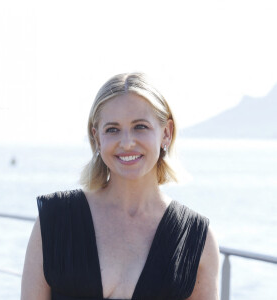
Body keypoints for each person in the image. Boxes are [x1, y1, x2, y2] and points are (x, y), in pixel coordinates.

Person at [21, 73, 220, 300]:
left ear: (166, 133)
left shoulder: (197, 239)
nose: (126, 143)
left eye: (140, 127)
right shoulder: (54, 220)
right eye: (112, 129)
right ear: (97, 138)